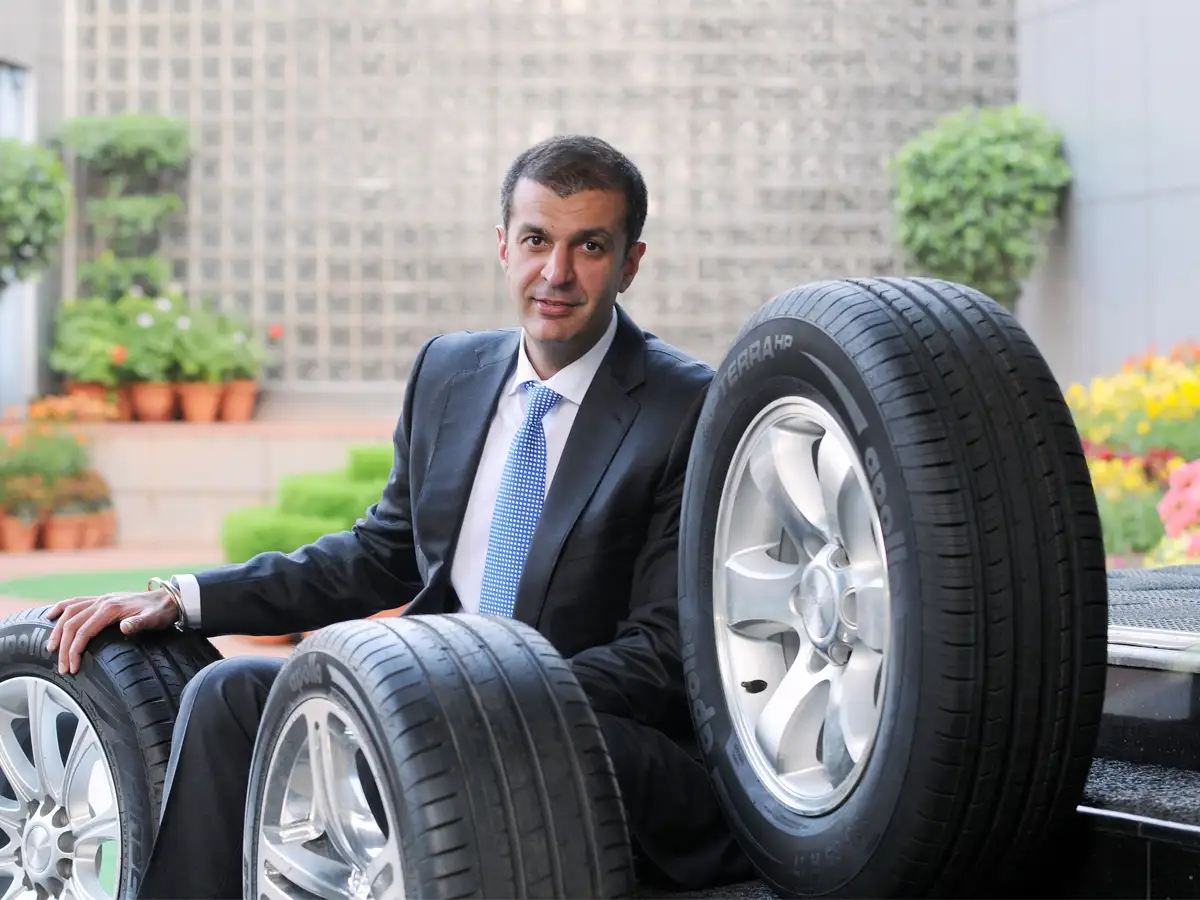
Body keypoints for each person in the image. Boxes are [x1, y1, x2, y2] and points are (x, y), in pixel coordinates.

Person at [46, 134, 754, 898]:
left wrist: (480, 696)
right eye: (536, 240)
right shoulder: (450, 371)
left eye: (589, 246)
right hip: (430, 710)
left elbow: (661, 652)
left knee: (465, 752)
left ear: (630, 263)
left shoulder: (687, 407)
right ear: (503, 246)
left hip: (591, 734)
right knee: (229, 696)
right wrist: (183, 598)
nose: (555, 273)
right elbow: (379, 554)